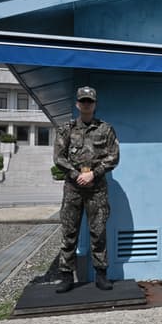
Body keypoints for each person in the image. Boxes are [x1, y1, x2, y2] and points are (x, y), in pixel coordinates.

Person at [53, 86, 120, 293]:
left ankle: (101, 274)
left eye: (89, 101)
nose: (86, 104)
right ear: (77, 104)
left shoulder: (106, 129)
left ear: (95, 104)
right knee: (69, 232)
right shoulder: (66, 129)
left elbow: (113, 156)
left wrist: (94, 173)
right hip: (73, 188)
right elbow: (59, 157)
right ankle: (66, 276)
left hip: (97, 188)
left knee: (98, 232)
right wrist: (76, 175)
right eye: (83, 101)